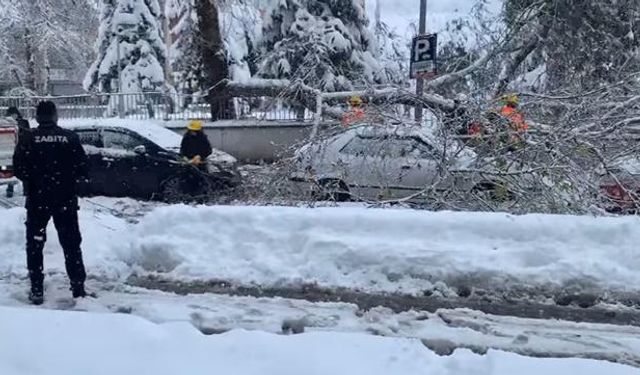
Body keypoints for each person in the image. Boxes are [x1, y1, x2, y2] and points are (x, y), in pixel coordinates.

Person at [12, 101, 90, 305]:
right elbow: (83, 168)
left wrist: (35, 180)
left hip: (37, 200)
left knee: (35, 244)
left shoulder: (28, 138)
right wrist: (66, 179)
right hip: (65, 199)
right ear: (55, 116)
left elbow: (18, 168)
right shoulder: (70, 138)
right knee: (71, 244)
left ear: (38, 117)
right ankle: (78, 288)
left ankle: (37, 288)